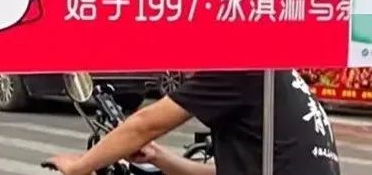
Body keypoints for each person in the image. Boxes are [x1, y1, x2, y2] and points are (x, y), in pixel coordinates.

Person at [44, 70, 341, 175]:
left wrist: (80, 166)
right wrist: (160, 158)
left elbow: (145, 124)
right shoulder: (275, 75)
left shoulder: (238, 68)